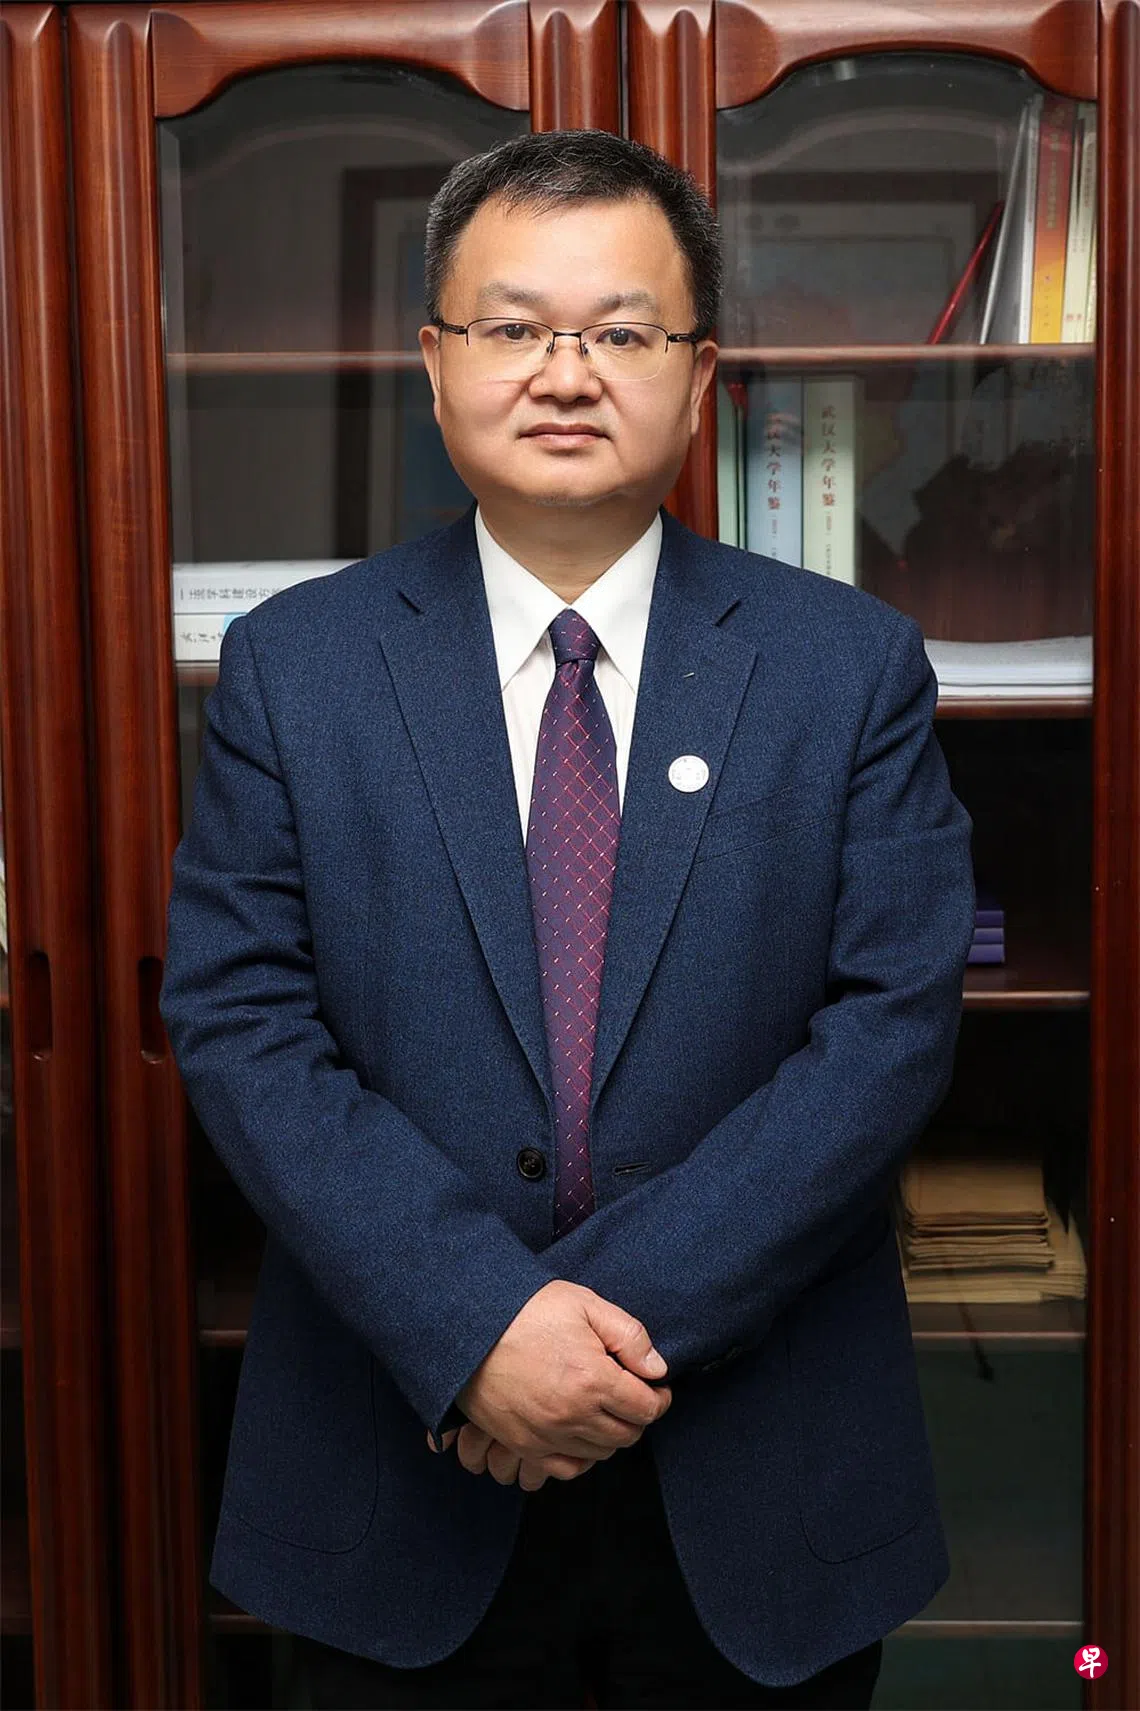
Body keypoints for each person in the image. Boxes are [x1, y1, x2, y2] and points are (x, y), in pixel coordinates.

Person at [159, 129, 975, 1710]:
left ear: (700, 374)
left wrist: (585, 1336)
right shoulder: (296, 667)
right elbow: (243, 1020)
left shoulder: (848, 667)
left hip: (762, 1472)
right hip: (401, 1463)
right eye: (515, 326)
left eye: (622, 333)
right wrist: (477, 1326)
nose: (565, 373)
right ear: (436, 361)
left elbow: (889, 1032)